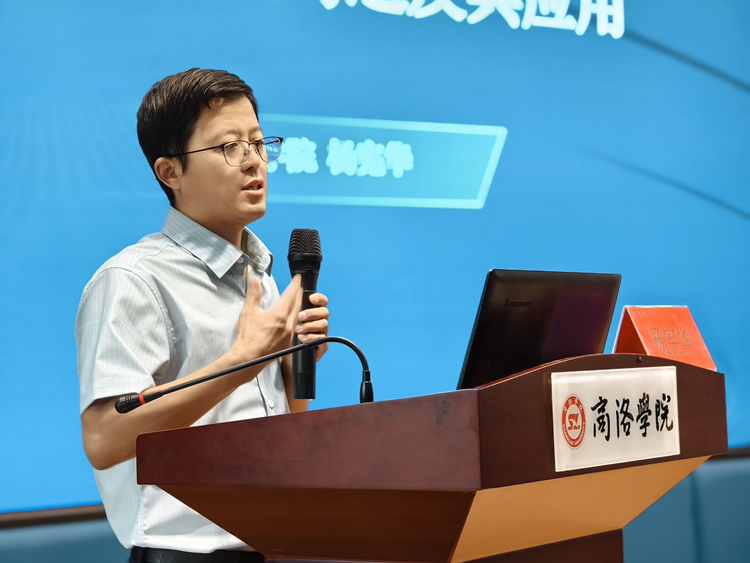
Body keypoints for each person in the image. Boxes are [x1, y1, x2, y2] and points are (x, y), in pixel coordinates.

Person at [75, 68, 330, 562]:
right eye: (229, 146)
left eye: (259, 142)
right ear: (169, 172)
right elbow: (103, 439)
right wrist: (242, 360)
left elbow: (283, 428)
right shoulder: (133, 279)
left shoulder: (260, 273)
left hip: (272, 545)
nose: (254, 161)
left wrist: (291, 365)